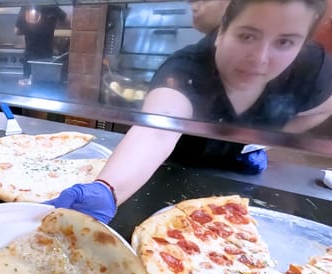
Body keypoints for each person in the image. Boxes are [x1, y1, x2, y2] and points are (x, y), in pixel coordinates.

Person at [46, 0, 332, 224]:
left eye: (285, 42)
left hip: (244, 178)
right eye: (247, 36)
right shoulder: (186, 70)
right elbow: (155, 134)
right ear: (222, 32)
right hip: (168, 172)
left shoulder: (311, 69)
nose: (260, 58)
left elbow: (319, 112)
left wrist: (264, 136)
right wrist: (107, 189)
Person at [15, 5, 68, 85]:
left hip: (32, 56)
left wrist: (31, 28)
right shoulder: (52, 6)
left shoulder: (26, 7)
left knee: (30, 85)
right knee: (44, 85)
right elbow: (67, 22)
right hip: (45, 57)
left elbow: (16, 31)